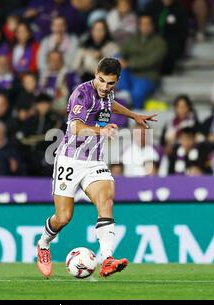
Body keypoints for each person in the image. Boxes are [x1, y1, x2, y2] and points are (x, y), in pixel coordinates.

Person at [36, 57, 157, 278]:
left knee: (106, 201)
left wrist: (134, 115)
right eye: (101, 80)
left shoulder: (108, 93)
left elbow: (111, 105)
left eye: (110, 83)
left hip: (94, 161)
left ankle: (107, 259)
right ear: (95, 73)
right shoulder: (80, 94)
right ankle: (43, 244)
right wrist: (101, 131)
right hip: (70, 159)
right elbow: (74, 128)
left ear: (117, 81)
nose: (104, 87)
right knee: (63, 217)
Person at [118, 14, 167, 109]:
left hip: (147, 76)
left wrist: (129, 63)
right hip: (130, 74)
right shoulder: (133, 39)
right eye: (143, 24)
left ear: (152, 26)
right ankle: (124, 92)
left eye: (148, 24)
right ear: (139, 26)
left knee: (137, 93)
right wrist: (123, 60)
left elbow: (151, 61)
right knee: (116, 58)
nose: (146, 26)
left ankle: (136, 119)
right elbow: (123, 52)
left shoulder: (159, 42)